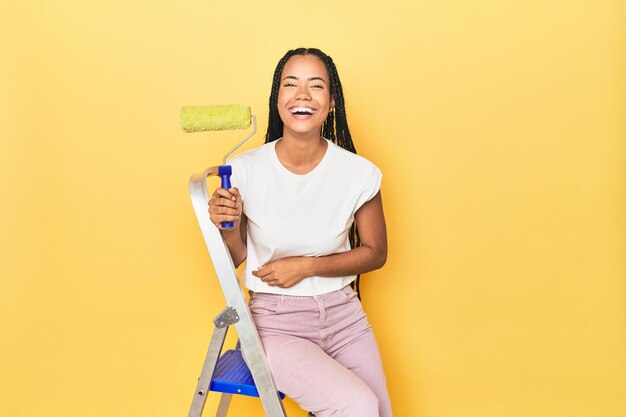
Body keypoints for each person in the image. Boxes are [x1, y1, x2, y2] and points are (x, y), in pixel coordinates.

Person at [208, 47, 392, 417]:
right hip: (274, 323)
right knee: (358, 407)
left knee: (379, 411)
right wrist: (226, 225)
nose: (302, 94)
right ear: (278, 100)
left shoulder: (358, 173)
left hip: (344, 318)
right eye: (290, 84)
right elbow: (238, 256)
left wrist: (306, 266)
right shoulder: (244, 170)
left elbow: (375, 252)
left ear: (332, 102)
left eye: (316, 85)